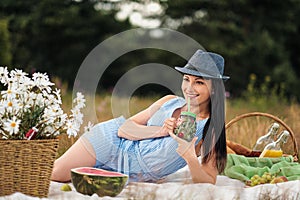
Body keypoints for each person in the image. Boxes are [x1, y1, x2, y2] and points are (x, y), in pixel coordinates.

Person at [51, 49, 230, 184]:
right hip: (109, 142)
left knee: (69, 179)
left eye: (199, 82)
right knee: (54, 173)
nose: (189, 88)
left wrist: (190, 156)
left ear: (214, 87)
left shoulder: (210, 128)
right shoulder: (169, 101)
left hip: (130, 174)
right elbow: (123, 129)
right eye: (186, 79)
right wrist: (162, 131)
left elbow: (208, 180)